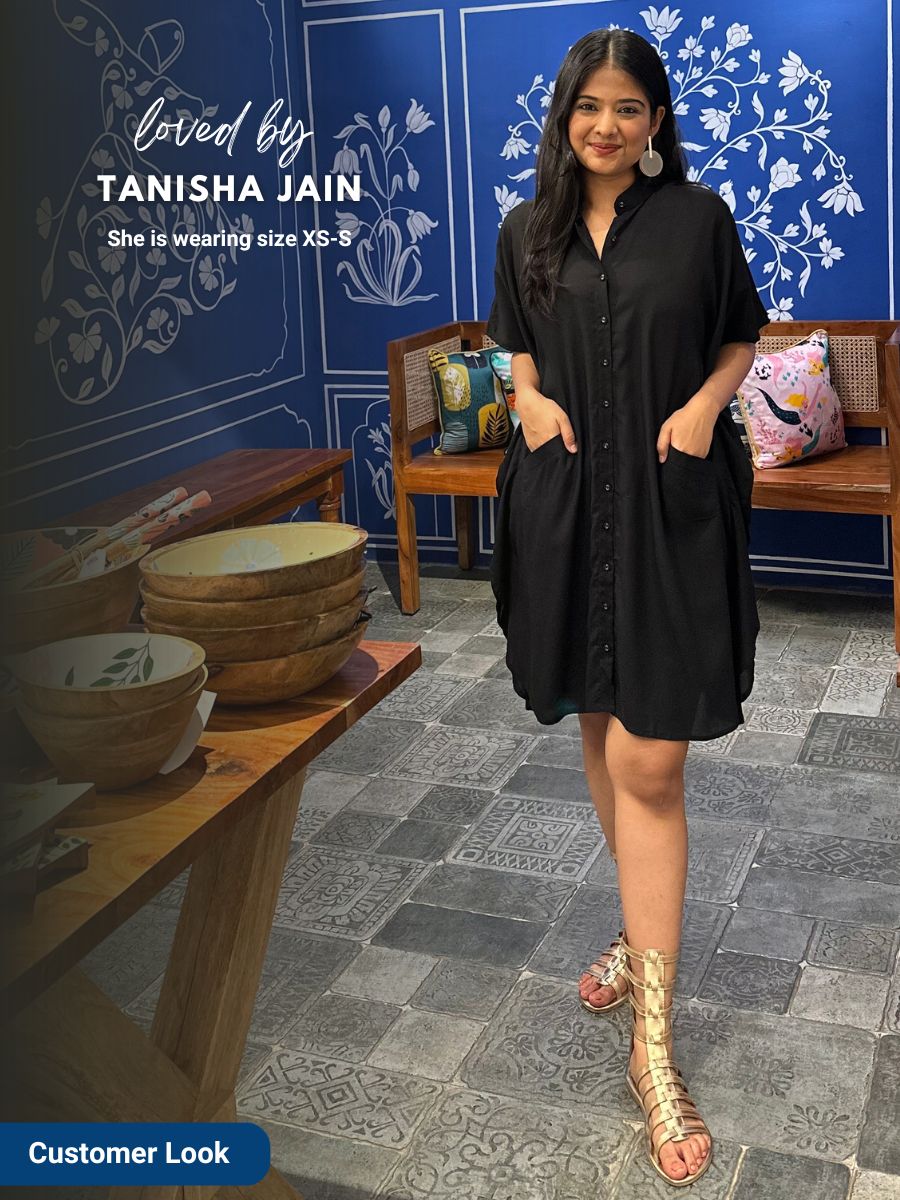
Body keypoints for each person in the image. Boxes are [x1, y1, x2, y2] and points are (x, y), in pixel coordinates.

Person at [486, 26, 770, 1188]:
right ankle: (635, 926)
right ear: (566, 116)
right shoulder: (526, 230)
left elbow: (740, 334)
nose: (607, 126)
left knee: (652, 758)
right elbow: (516, 348)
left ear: (656, 122)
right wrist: (525, 400)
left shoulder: (698, 222)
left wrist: (704, 406)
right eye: (589, 106)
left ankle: (655, 1054)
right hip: (566, 505)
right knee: (599, 718)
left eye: (629, 108)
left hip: (666, 502)